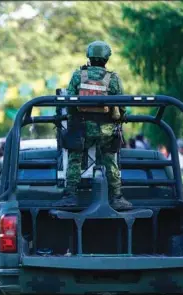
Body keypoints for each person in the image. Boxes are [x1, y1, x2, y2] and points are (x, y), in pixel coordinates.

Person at [55, 40, 132, 210]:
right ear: (106, 58)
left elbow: (69, 102)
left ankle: (70, 195)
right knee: (110, 161)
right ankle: (117, 197)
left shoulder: (78, 75)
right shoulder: (113, 78)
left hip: (82, 130)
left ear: (89, 56)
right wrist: (122, 117)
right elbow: (122, 105)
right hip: (106, 130)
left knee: (75, 159)